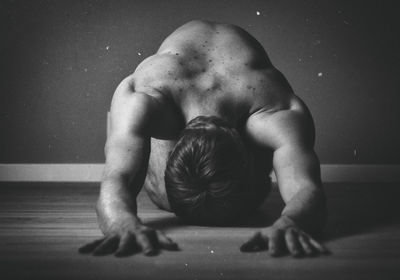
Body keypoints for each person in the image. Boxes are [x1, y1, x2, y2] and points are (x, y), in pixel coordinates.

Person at [79, 20, 328, 258]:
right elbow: (115, 180)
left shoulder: (273, 110)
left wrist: (292, 222)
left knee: (192, 199)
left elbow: (307, 188)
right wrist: (122, 222)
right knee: (164, 191)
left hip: (239, 95)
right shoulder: (144, 97)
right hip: (171, 89)